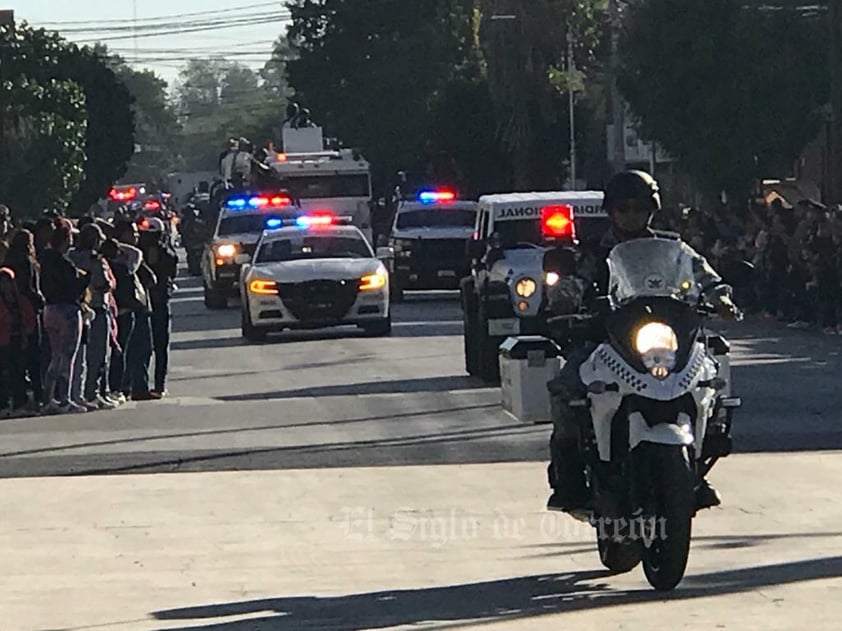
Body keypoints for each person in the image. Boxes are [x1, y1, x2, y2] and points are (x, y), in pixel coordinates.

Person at [545, 170, 741, 513]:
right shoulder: (594, 249)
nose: (631, 215)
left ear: (652, 209)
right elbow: (575, 280)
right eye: (624, 208)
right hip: (607, 336)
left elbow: (700, 271)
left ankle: (695, 467)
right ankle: (570, 479)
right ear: (611, 212)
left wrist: (720, 297)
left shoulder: (672, 247)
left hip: (665, 337)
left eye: (639, 208)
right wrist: (564, 297)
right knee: (567, 387)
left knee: (709, 378)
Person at [39, 218, 90, 414]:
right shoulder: (65, 263)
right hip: (68, 311)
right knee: (68, 356)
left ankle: (49, 398)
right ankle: (65, 398)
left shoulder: (45, 261)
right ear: (65, 239)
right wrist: (85, 279)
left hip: (50, 310)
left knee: (55, 356)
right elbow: (73, 289)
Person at [5, 229, 45, 411]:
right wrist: (40, 300)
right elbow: (29, 287)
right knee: (34, 354)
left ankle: (17, 396)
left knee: (14, 357)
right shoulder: (27, 261)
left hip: (11, 311)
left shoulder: (8, 260)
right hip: (28, 310)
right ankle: (37, 395)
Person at [137, 218, 178, 396]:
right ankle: (142, 385)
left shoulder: (165, 253)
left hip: (157, 303)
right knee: (145, 347)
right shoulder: (139, 254)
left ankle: (158, 385)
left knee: (158, 347)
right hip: (145, 304)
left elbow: (172, 270)